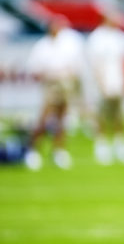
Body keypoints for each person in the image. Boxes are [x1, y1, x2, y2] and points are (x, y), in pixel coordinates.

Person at [24, 15, 78, 170]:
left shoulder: (66, 45)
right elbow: (34, 69)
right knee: (44, 118)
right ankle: (33, 150)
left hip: (65, 83)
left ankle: (58, 150)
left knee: (62, 119)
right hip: (50, 84)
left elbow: (74, 65)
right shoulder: (42, 46)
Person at [88, 9, 124, 165]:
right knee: (101, 114)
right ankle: (101, 145)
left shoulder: (120, 37)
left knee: (119, 114)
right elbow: (95, 63)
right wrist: (101, 83)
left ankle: (120, 144)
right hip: (103, 82)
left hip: (118, 81)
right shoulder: (97, 37)